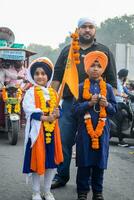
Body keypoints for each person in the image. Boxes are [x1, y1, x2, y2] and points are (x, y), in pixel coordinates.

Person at [51, 17, 117, 189]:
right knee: (64, 140)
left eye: (91, 27)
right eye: (84, 27)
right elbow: (57, 76)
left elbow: (112, 80)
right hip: (69, 103)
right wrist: (51, 101)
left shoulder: (104, 51)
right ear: (77, 29)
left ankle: (87, 181)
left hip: (94, 107)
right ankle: (61, 175)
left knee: (90, 143)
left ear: (95, 30)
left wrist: (109, 105)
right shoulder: (68, 50)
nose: (87, 30)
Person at [72, 51, 117, 200]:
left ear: (103, 69)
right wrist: (89, 103)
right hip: (84, 132)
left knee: (99, 163)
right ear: (86, 67)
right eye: (92, 65)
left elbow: (114, 110)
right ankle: (82, 193)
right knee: (84, 163)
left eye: (99, 66)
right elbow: (74, 110)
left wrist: (107, 104)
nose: (95, 69)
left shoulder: (108, 88)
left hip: (102, 131)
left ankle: (98, 193)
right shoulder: (80, 87)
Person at [22, 57, 63, 200]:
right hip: (37, 133)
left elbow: (59, 110)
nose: (40, 76)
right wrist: (46, 118)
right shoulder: (30, 92)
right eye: (37, 73)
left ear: (48, 76)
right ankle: (35, 192)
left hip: (52, 133)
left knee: (51, 163)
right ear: (33, 76)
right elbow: (28, 109)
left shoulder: (54, 93)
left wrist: (57, 114)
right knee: (36, 162)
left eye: (43, 73)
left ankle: (47, 191)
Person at [0, 58, 25, 127]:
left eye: (0, 60)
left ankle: (4, 121)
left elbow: (12, 75)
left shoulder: (3, 70)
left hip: (2, 90)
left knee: (5, 100)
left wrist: (21, 77)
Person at [115, 68, 131, 147]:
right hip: (117, 104)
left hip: (121, 103)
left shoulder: (121, 83)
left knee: (130, 114)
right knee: (120, 119)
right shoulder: (116, 82)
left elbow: (127, 92)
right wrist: (123, 95)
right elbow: (114, 92)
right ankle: (120, 140)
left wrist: (129, 95)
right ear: (124, 76)